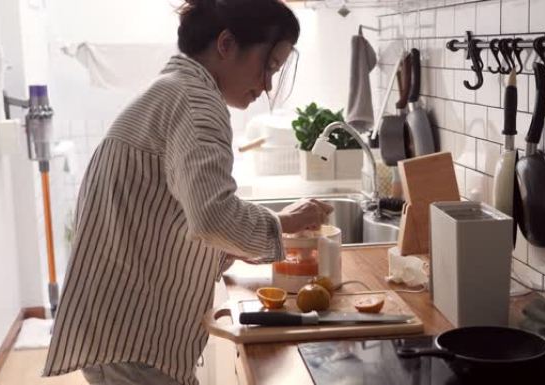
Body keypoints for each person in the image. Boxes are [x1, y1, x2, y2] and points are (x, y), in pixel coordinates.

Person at [43, 1, 330, 384]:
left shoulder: (175, 90)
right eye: (269, 66)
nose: (267, 85)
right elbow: (213, 217)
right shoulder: (196, 102)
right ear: (226, 44)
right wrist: (283, 223)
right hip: (133, 339)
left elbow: (173, 216)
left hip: (119, 329)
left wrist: (250, 239)